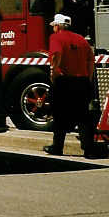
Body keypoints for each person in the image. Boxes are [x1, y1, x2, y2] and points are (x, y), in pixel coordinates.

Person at [43, 13, 95, 156]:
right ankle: (88, 149)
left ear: (58, 26)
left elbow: (56, 54)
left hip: (64, 80)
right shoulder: (81, 39)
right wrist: (88, 79)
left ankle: (57, 147)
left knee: (60, 115)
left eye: (54, 26)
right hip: (82, 81)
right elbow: (91, 60)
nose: (53, 28)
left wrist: (53, 73)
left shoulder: (56, 37)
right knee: (83, 116)